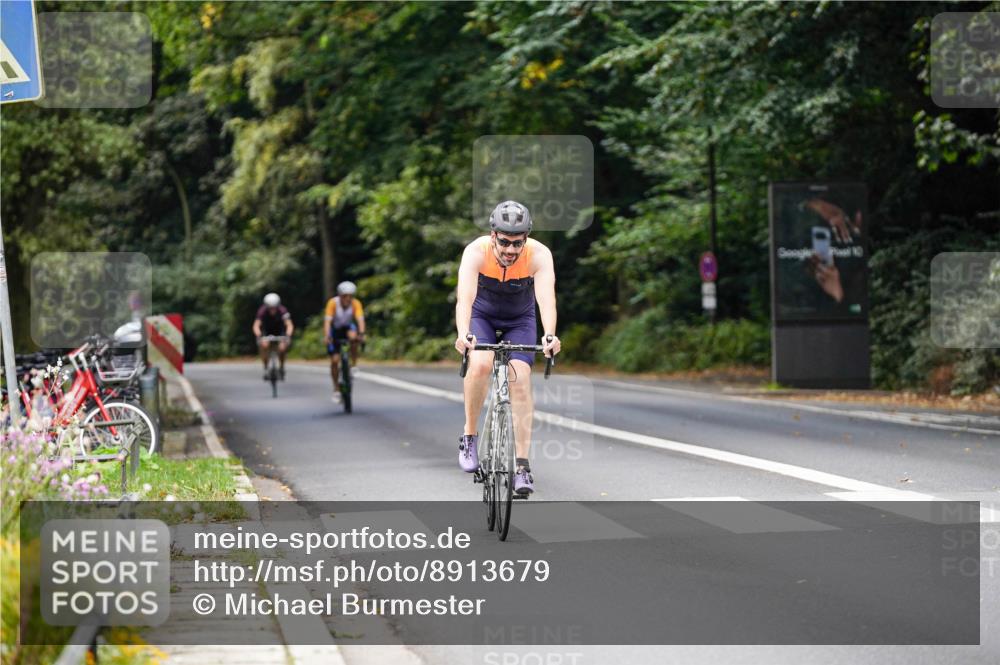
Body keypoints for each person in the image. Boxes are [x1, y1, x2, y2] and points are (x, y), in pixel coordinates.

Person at [454, 200, 561, 496]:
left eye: (517, 242)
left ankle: (522, 467)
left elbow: (546, 300)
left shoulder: (539, 255)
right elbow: (464, 300)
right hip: (482, 316)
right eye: (504, 242)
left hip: (519, 319)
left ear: (526, 238)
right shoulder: (476, 252)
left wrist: (550, 335)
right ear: (493, 236)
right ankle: (469, 436)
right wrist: (463, 334)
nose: (510, 249)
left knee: (521, 380)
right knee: (480, 364)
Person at [324, 281, 366, 402]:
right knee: (334, 361)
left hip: (348, 328)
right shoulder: (332, 303)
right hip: (335, 330)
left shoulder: (356, 303)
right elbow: (327, 321)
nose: (347, 299)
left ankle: (353, 365)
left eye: (350, 296)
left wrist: (362, 334)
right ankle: (336, 389)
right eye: (345, 296)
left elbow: (360, 320)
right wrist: (327, 336)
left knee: (354, 337)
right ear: (340, 295)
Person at [252, 293, 294, 379]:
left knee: (282, 348)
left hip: (280, 330)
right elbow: (256, 325)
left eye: (274, 307)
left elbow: (289, 325)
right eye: (270, 308)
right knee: (264, 346)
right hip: (266, 331)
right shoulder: (262, 311)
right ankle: (266, 367)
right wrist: (259, 335)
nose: (272, 310)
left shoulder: (283, 311)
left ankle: (281, 367)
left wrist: (288, 335)